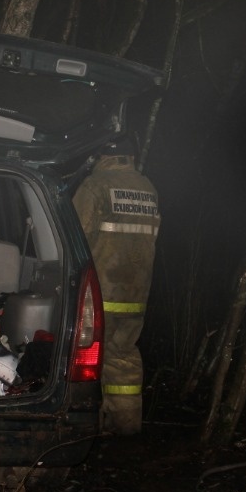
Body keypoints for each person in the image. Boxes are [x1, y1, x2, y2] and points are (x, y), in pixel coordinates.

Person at [73, 137, 161, 435]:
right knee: (123, 357)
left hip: (99, 295)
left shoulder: (95, 186)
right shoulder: (148, 188)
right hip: (136, 295)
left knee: (84, 358)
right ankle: (126, 427)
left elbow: (74, 238)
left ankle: (85, 428)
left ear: (101, 154)